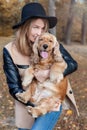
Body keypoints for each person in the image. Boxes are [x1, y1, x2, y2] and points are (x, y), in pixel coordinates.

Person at [3, 2, 79, 130]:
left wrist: (48, 73)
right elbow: (14, 87)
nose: (39, 33)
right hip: (26, 102)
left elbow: (72, 64)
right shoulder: (9, 50)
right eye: (35, 27)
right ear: (26, 27)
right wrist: (34, 100)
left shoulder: (51, 42)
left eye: (42, 28)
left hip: (51, 101)